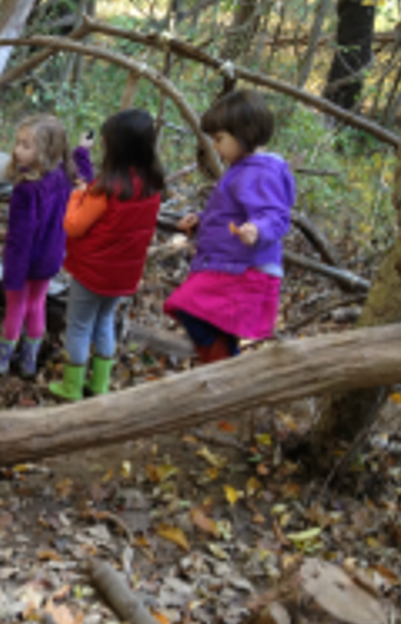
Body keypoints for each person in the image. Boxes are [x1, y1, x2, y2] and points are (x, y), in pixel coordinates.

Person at [165, 89, 297, 363]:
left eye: (219, 139)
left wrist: (258, 230)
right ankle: (220, 365)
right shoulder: (243, 168)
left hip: (244, 270)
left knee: (187, 306)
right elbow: (230, 212)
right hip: (229, 265)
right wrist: (200, 220)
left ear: (245, 133)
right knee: (203, 318)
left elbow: (275, 215)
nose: (214, 146)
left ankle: (223, 365)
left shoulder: (260, 172)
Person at [48, 109, 165, 400]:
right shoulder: (152, 187)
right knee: (104, 322)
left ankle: (71, 386)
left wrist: (77, 197)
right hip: (123, 275)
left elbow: (73, 226)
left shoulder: (106, 188)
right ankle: (99, 384)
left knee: (78, 325)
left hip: (91, 271)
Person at [0, 114, 91, 377]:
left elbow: (21, 237)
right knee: (36, 304)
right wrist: (82, 151)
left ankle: (1, 358)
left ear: (47, 150)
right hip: (51, 256)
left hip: (26, 260)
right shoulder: (64, 176)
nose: (18, 150)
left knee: (16, 306)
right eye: (18, 143)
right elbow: (86, 173)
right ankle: (28, 361)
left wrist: (14, 275)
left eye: (26, 145)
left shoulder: (26, 190)